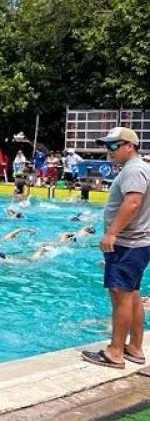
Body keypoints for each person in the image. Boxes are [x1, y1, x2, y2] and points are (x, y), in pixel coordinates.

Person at [82, 128, 150, 369]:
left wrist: (112, 233)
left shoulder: (134, 170)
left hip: (127, 243)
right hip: (137, 242)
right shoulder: (139, 168)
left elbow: (133, 203)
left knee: (120, 295)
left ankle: (115, 352)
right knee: (131, 294)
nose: (108, 152)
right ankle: (134, 348)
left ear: (129, 146)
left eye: (113, 146)